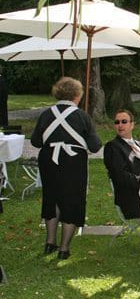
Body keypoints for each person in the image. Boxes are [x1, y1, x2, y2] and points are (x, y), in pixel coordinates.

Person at [31, 77, 102, 260]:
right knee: (71, 199)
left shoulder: (46, 114)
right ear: (77, 95)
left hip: (49, 160)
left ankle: (50, 242)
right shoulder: (82, 116)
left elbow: (36, 141)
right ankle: (64, 248)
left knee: (51, 198)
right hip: (73, 162)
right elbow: (95, 146)